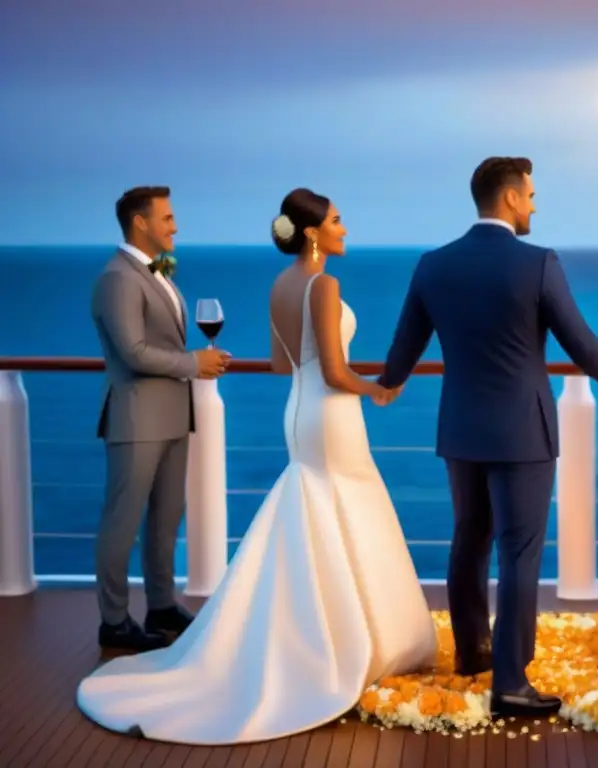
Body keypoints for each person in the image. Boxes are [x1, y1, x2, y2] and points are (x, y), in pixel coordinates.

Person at [77, 188, 438, 745]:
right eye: (339, 220)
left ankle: (309, 630)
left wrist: (325, 375)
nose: (346, 228)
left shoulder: (279, 285)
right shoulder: (324, 284)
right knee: (347, 506)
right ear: (313, 231)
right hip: (330, 414)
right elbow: (338, 373)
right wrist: (379, 389)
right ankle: (348, 640)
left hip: (298, 410)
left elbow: (278, 364)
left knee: (315, 508)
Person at [378, 157, 598, 717]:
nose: (535, 205)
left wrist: (383, 385)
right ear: (512, 198)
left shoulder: (433, 266)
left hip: (461, 429)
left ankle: (473, 653)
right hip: (523, 431)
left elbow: (401, 355)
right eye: (532, 195)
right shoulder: (538, 263)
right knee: (519, 553)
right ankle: (512, 683)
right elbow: (580, 340)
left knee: (469, 541)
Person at [90, 186, 230, 653]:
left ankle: (161, 604)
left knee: (167, 519)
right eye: (167, 218)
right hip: (136, 419)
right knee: (122, 522)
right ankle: (113, 621)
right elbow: (132, 352)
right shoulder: (118, 278)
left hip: (173, 416)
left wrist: (193, 365)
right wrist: (194, 364)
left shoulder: (154, 272)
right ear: (140, 223)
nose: (175, 226)